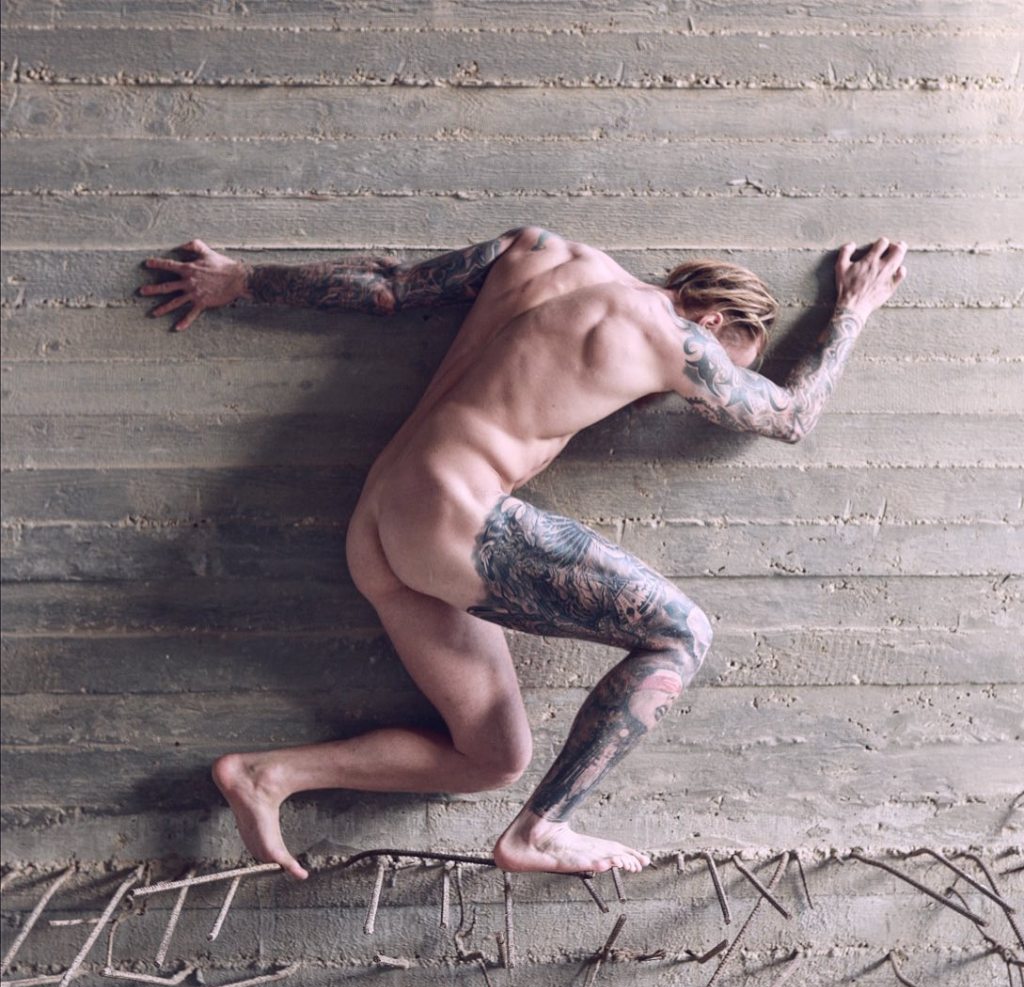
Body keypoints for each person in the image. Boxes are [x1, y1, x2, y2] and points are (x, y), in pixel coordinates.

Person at [141, 228, 907, 880]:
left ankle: (267, 776)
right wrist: (853, 310)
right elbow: (791, 417)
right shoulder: (671, 334)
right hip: (454, 515)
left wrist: (240, 280)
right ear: (709, 318)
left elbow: (388, 289)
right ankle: (542, 830)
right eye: (723, 362)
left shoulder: (539, 249)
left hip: (380, 525)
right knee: (682, 633)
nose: (699, 384)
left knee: (493, 757)